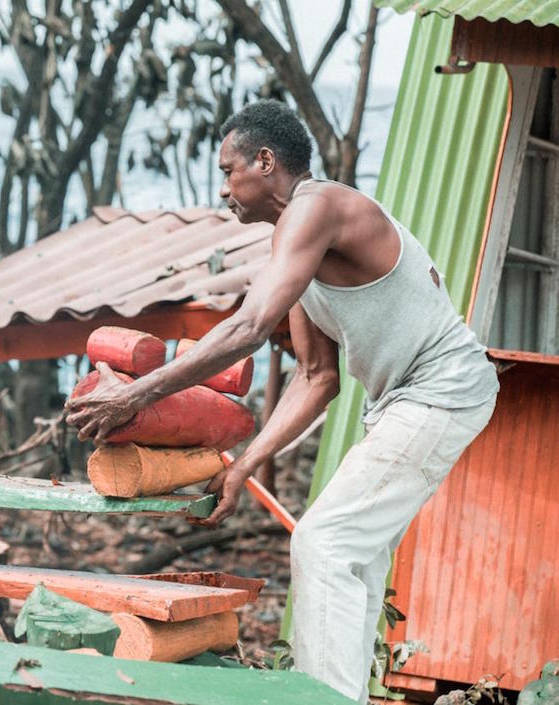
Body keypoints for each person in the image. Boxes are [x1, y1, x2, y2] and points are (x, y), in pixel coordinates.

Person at [65, 100, 499, 702]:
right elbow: (318, 377)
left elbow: (247, 327)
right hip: (406, 402)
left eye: (228, 170)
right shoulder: (294, 244)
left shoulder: (317, 208)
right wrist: (244, 465)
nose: (223, 189)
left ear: (265, 161)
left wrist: (134, 395)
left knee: (323, 544)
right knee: (357, 559)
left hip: (442, 389)